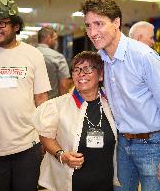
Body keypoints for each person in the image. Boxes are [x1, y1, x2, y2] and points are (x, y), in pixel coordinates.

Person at [80, 0, 160, 191]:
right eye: (88, 25)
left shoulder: (144, 56)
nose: (92, 32)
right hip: (122, 144)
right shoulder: (99, 60)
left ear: (116, 22)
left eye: (99, 24)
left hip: (153, 145)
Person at [0, 0, 51, 191]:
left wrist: (46, 136)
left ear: (16, 26)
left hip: (27, 147)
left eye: (2, 23)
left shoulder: (33, 55)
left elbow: (41, 99)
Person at [32, 51, 119, 191]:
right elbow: (45, 136)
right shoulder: (56, 106)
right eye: (76, 70)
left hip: (106, 181)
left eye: (88, 69)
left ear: (101, 75)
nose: (81, 74)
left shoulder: (112, 104)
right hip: (72, 183)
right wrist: (61, 155)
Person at [37, 27, 70, 99]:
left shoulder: (29, 55)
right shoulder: (58, 57)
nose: (56, 42)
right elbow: (63, 86)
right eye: (55, 39)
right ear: (49, 38)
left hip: (31, 104)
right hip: (51, 104)